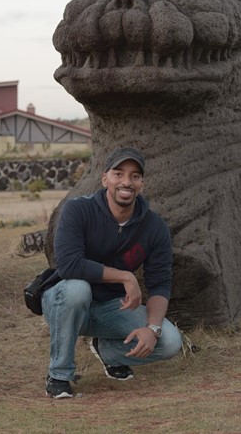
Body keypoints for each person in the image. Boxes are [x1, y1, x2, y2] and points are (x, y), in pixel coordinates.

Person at [42, 146, 182, 398]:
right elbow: (68, 265)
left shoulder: (155, 227)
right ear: (105, 178)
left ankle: (106, 351)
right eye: (118, 174)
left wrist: (153, 329)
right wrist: (125, 276)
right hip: (65, 301)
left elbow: (160, 283)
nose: (126, 182)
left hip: (111, 307)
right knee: (77, 288)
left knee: (170, 342)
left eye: (135, 176)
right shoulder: (77, 210)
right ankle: (59, 374)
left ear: (142, 183)